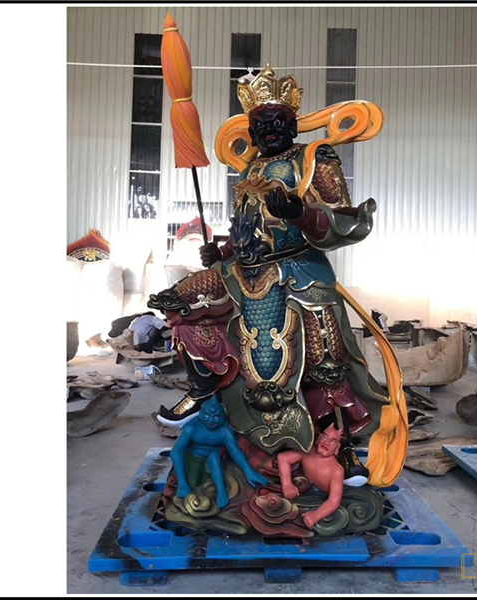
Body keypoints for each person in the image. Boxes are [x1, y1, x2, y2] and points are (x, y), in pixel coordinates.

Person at [148, 66, 389, 486]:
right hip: (245, 273)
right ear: (252, 130)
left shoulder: (313, 160)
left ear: (293, 125)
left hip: (299, 274)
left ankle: (341, 448)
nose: (271, 129)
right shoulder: (249, 171)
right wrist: (222, 251)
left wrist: (302, 213)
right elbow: (249, 229)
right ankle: (205, 391)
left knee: (324, 364)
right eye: (262, 123)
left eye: (280, 121)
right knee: (177, 300)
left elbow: (348, 221)